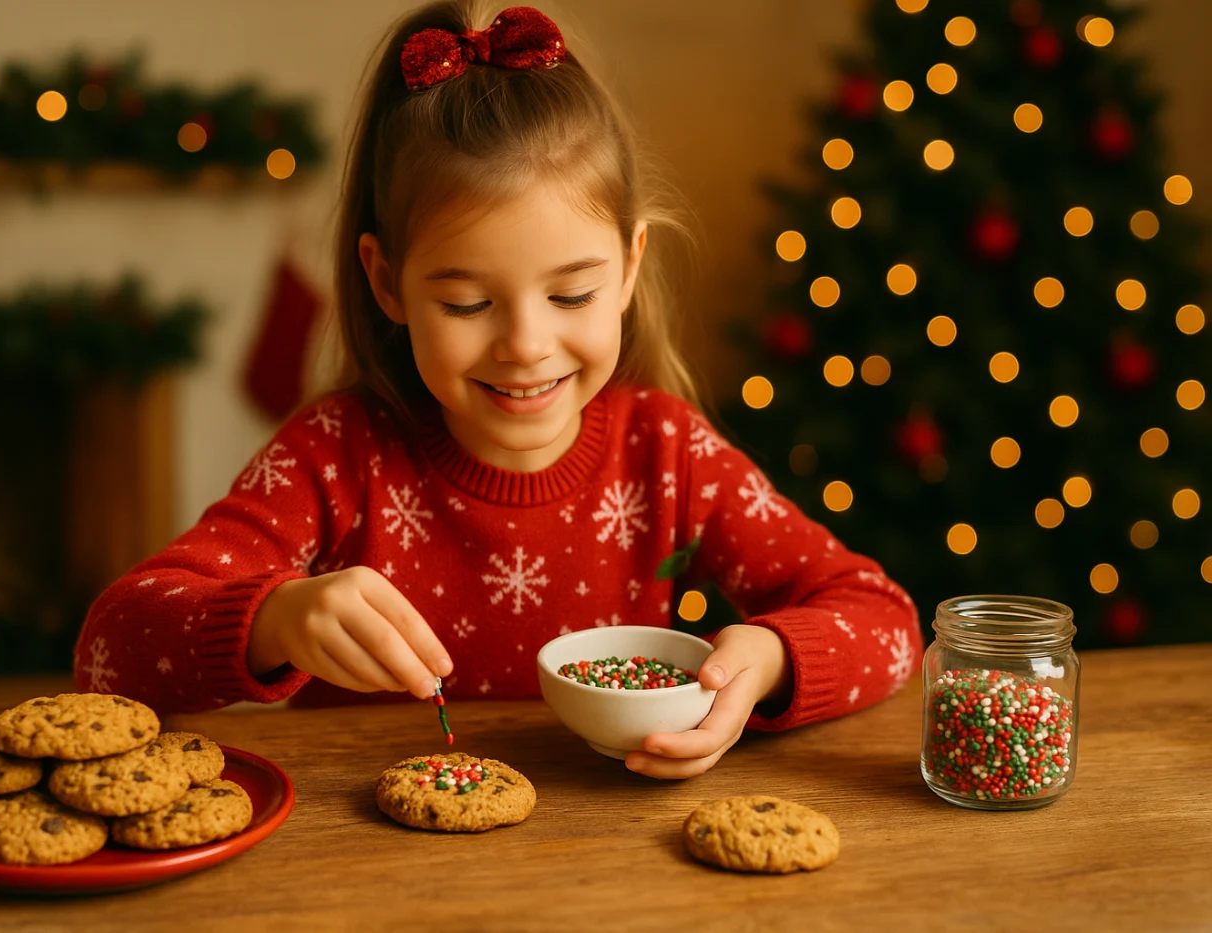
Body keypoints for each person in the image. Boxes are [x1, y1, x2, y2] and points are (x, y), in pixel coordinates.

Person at [74, 1, 921, 779]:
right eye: (468, 301)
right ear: (388, 283)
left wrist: (765, 661)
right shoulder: (335, 454)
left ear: (629, 268)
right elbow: (111, 646)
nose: (525, 345)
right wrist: (273, 620)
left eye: (572, 294)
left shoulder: (666, 450)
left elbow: (887, 622)